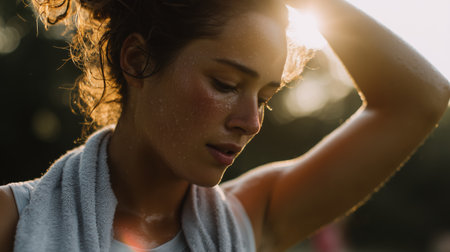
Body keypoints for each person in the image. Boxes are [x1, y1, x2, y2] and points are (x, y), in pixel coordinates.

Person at [0, 0, 449, 251]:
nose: (251, 121)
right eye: (226, 83)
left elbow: (422, 97)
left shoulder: (252, 220)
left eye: (266, 98)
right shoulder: (10, 221)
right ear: (138, 60)